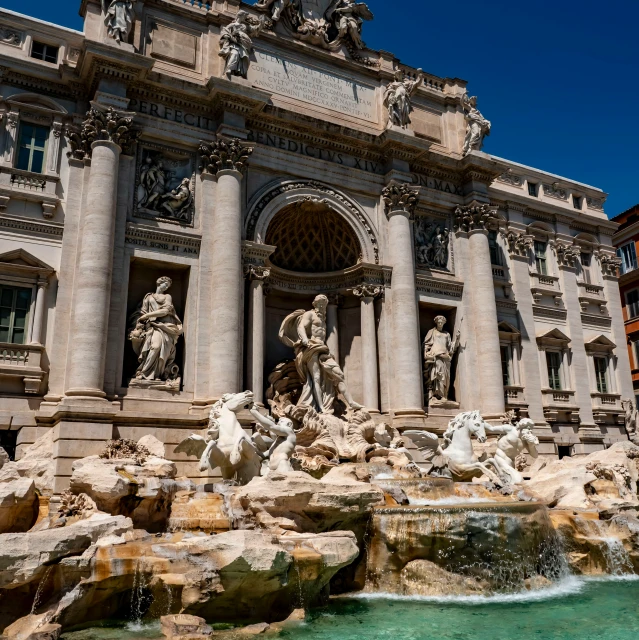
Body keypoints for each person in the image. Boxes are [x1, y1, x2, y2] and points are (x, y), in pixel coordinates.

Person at [279, 294, 363, 414]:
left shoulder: (323, 317)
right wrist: (305, 340)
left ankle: (351, 402)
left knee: (338, 374)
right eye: (320, 303)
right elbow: (301, 327)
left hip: (323, 349)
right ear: (315, 304)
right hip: (311, 347)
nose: (322, 306)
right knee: (316, 378)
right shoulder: (310, 314)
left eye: (324, 303)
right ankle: (321, 408)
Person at [129, 277, 184, 382]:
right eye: (165, 284)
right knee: (155, 347)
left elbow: (165, 311)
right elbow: (142, 312)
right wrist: (141, 322)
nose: (167, 287)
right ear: (159, 283)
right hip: (151, 327)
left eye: (168, 285)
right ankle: (144, 372)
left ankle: (156, 374)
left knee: (158, 348)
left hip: (165, 327)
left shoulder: (167, 296)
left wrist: (147, 316)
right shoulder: (148, 297)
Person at [423, 316, 460, 403]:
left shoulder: (447, 334)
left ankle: (444, 395)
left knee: (446, 377)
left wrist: (457, 338)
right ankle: (437, 395)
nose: (440, 324)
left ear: (444, 323)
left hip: (446, 357)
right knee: (438, 376)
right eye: (438, 322)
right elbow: (426, 344)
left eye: (442, 323)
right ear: (436, 323)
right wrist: (427, 353)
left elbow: (451, 347)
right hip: (436, 356)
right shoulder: (432, 332)